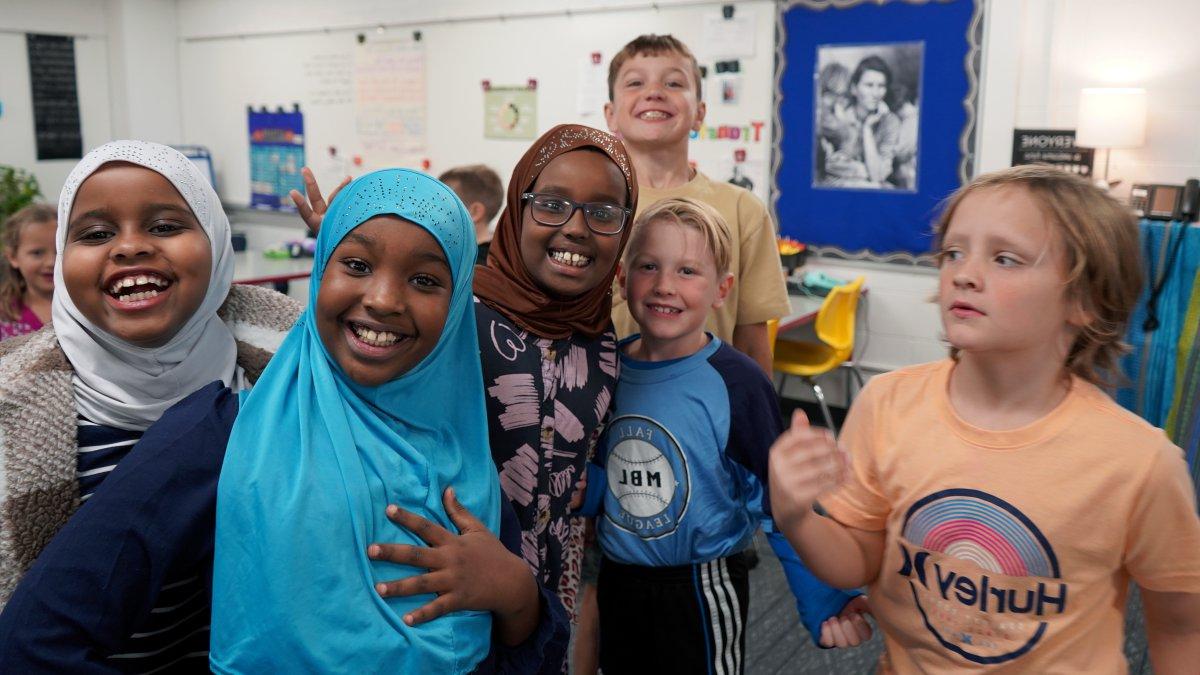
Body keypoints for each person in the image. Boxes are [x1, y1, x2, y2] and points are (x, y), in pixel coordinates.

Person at [768, 165, 1200, 673]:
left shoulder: (1140, 463)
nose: (963, 273)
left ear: (1084, 300)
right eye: (954, 252)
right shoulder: (887, 405)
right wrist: (795, 517)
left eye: (1005, 258)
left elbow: (1181, 625)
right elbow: (858, 560)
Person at [211, 168, 567, 673]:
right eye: (356, 264)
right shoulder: (231, 431)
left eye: (424, 280)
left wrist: (516, 591)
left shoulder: (465, 457)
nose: (382, 299)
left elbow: (517, 641)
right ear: (320, 270)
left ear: (458, 304)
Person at [0, 140, 301, 672]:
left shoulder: (287, 372)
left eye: (164, 226)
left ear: (215, 238)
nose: (129, 247)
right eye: (95, 234)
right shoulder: (13, 403)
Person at [578, 198, 869, 673]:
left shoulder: (736, 382)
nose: (664, 285)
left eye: (688, 271)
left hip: (700, 583)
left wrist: (826, 601)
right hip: (618, 578)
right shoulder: (608, 367)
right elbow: (616, 469)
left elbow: (780, 504)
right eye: (648, 266)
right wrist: (587, 491)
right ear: (622, 278)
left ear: (722, 289)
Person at [604, 33, 788, 376]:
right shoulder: (591, 208)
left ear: (700, 114)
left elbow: (751, 340)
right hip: (600, 409)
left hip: (706, 412)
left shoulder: (743, 209)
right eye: (635, 82)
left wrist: (758, 423)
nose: (654, 91)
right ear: (611, 115)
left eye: (674, 82)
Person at [819, 55, 902, 189]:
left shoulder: (891, 122)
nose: (876, 93)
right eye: (869, 85)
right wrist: (862, 171)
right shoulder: (839, 117)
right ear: (854, 88)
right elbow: (829, 166)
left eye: (881, 86)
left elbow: (877, 176)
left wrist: (867, 129)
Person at [0, 203, 56, 339]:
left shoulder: (87, 308)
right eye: (37, 253)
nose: (51, 262)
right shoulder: (5, 316)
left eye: (59, 251)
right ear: (13, 257)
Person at [439, 164, 504, 264]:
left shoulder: (473, 269)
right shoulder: (499, 257)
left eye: (442, 205)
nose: (432, 213)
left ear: (474, 212)